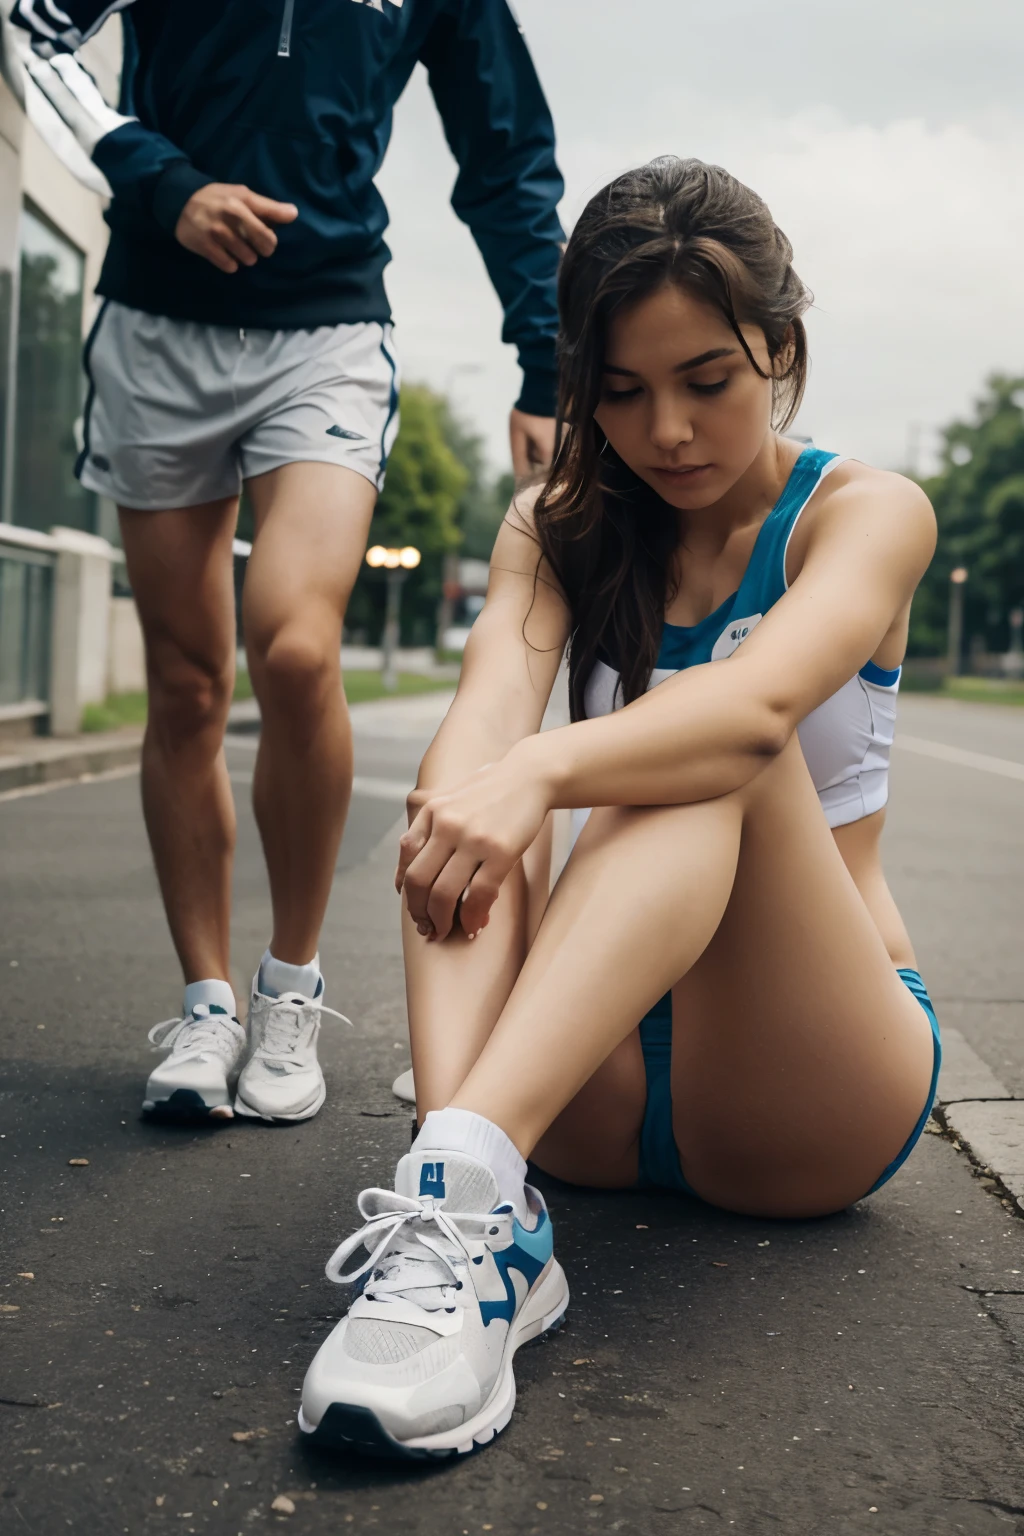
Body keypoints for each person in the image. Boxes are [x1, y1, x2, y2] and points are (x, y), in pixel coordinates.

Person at [296, 157, 941, 1461]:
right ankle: (463, 1198)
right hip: (569, 1101)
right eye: (624, 394)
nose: (670, 435)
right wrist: (495, 775)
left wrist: (549, 766)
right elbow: (482, 732)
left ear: (779, 345)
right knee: (468, 782)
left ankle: (471, 1172)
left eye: (708, 382)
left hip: (809, 1086)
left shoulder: (865, 515)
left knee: (707, 742)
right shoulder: (561, 521)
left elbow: (757, 715)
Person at [8, 0, 564, 1122]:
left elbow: (504, 153)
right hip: (158, 321)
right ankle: (207, 1005)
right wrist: (161, 180)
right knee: (188, 678)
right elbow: (33, 28)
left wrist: (545, 358)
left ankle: (290, 990)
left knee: (297, 645)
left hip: (327, 327)